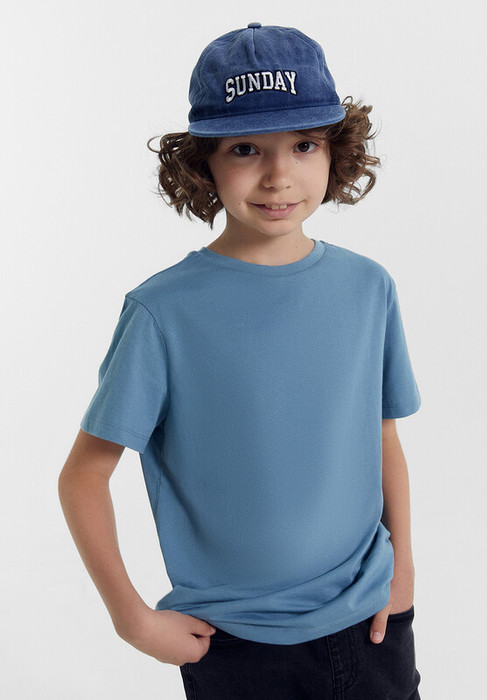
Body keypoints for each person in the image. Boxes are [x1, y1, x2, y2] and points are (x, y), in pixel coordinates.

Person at [58, 22, 422, 699]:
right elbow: (84, 475)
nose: (278, 175)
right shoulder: (163, 312)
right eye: (245, 149)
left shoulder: (368, 288)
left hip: (371, 625)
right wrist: (133, 620)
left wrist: (402, 572)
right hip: (234, 642)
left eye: (304, 145)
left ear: (335, 150)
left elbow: (383, 436)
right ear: (203, 164)